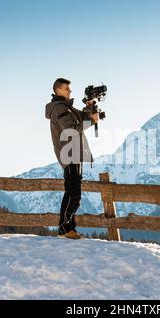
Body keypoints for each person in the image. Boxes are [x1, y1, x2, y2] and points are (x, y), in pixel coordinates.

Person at [44, 78, 98, 239]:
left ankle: (69, 228)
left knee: (73, 192)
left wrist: (90, 106)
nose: (70, 91)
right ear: (58, 90)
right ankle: (64, 228)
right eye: (67, 89)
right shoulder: (59, 108)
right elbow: (72, 128)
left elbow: (84, 119)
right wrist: (91, 121)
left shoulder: (68, 108)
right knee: (73, 194)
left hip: (75, 153)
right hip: (69, 154)